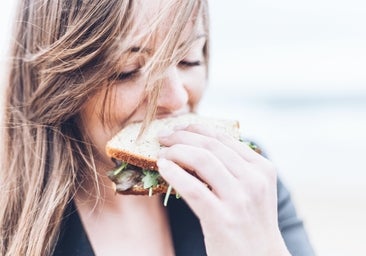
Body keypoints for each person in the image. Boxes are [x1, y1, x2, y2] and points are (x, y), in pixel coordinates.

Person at [0, 0, 315, 255]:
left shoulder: (248, 183)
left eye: (189, 59)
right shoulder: (11, 225)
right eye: (129, 70)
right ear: (57, 83)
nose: (177, 98)